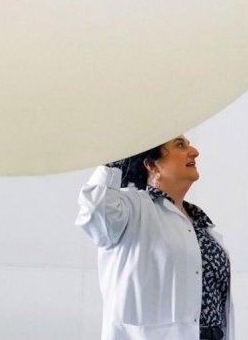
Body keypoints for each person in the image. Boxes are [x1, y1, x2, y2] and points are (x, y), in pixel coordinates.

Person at [77, 135, 233, 340]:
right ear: (151, 165)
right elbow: (95, 210)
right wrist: (115, 157)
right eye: (180, 145)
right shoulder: (129, 208)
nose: (194, 151)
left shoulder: (200, 223)